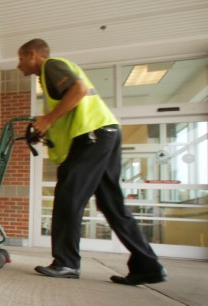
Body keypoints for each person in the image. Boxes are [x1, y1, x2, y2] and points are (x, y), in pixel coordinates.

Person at [17, 38, 167, 285]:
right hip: (105, 133)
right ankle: (148, 266)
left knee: (68, 196)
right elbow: (71, 104)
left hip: (92, 136)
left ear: (33, 55)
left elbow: (79, 90)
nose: (19, 65)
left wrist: (48, 120)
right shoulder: (49, 76)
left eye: (21, 59)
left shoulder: (51, 66)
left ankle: (66, 262)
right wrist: (45, 122)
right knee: (111, 204)